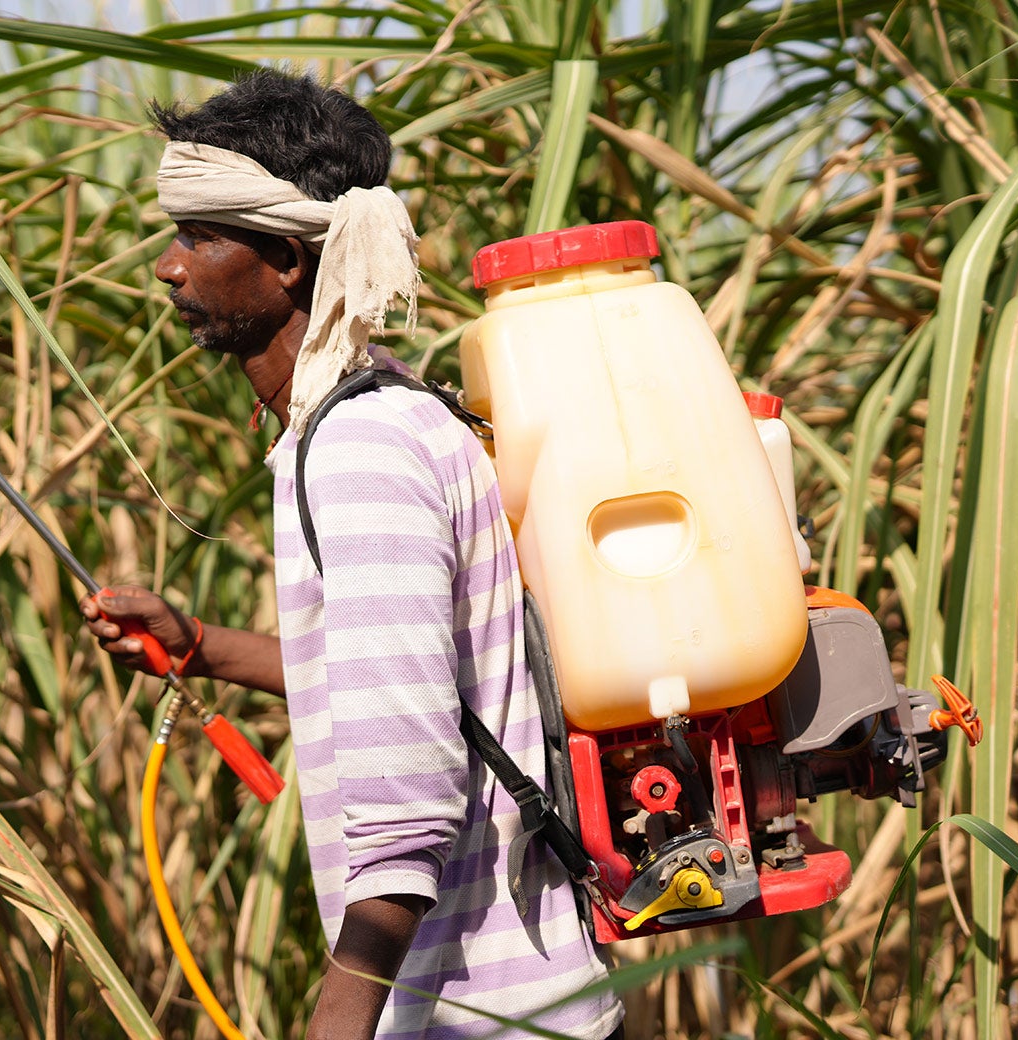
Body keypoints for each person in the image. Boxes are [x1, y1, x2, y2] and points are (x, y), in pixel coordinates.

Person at [80, 69, 623, 1040]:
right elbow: (396, 672)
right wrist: (200, 643)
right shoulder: (381, 411)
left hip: (481, 1017)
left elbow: (409, 788)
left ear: (287, 258)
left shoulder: (360, 449)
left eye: (198, 238)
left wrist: (338, 1022)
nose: (169, 267)